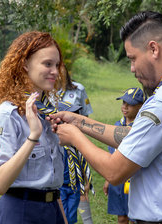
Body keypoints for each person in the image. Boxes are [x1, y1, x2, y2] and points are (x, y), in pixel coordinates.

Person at [47, 11, 162, 223]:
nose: (132, 68)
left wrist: (74, 137)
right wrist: (79, 121)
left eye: (133, 59)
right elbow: (133, 135)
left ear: (153, 49)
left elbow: (114, 171)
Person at [0, 31, 68, 224]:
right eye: (47, 64)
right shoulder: (7, 115)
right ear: (24, 64)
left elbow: (51, 183)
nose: (55, 71)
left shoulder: (48, 113)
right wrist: (33, 136)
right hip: (19, 212)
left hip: (51, 210)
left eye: (57, 65)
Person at [103, 87, 145, 224]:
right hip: (118, 179)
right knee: (121, 217)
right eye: (123, 103)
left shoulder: (141, 127)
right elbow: (112, 152)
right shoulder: (117, 125)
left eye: (130, 104)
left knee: (134, 217)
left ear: (141, 106)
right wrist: (109, 178)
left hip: (134, 179)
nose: (125, 107)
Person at [58, 67, 94, 224]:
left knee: (76, 188)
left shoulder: (79, 89)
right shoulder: (45, 91)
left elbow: (85, 117)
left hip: (74, 143)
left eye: (59, 68)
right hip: (57, 142)